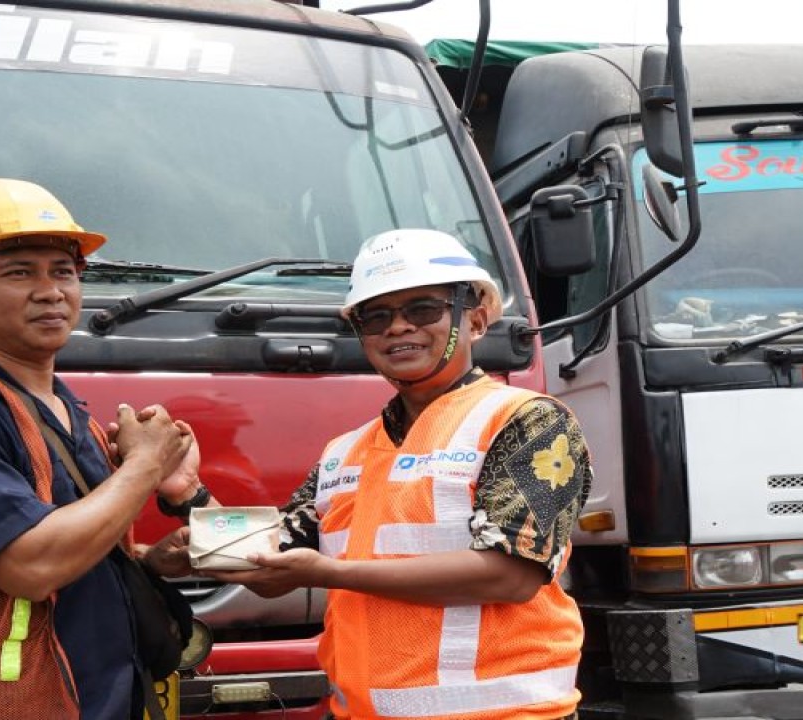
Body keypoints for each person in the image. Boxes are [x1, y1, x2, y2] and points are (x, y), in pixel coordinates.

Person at [191, 229, 592, 720]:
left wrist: (332, 573)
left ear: (478, 318)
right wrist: (184, 493)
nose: (398, 328)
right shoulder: (345, 453)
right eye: (376, 316)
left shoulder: (529, 422)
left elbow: (509, 575)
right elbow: (272, 564)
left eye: (423, 309)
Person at [0, 177, 198, 719]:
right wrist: (144, 466)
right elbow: (31, 566)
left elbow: (74, 555)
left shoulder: (75, 416)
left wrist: (148, 562)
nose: (51, 291)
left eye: (64, 272)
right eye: (20, 272)